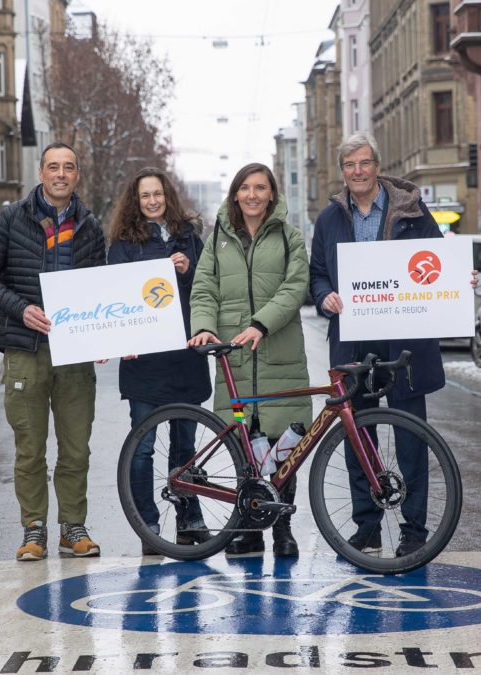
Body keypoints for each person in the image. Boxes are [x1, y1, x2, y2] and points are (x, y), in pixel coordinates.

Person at [309, 132, 473, 557]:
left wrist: (460, 281)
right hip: (352, 342)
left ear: (377, 166)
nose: (357, 172)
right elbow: (317, 274)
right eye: (349, 165)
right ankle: (368, 526)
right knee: (356, 435)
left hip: (404, 342)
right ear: (342, 171)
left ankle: (413, 530)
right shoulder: (330, 219)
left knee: (410, 439)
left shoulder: (413, 213)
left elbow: (438, 263)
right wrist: (325, 296)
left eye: (364, 163)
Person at [0, 142, 105, 561]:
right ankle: (33, 530)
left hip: (75, 352)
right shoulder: (12, 218)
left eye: (68, 167)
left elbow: (102, 289)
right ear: (41, 172)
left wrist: (102, 334)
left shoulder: (90, 226)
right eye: (53, 167)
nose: (61, 174)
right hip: (25, 349)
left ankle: (72, 528)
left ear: (77, 175)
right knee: (30, 447)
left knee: (76, 447)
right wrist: (21, 308)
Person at [187, 162, 310, 558]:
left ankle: (282, 531)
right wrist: (205, 325)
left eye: (260, 188)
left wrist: (261, 324)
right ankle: (248, 530)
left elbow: (295, 287)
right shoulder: (218, 239)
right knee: (243, 449)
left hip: (279, 353)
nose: (253, 195)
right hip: (235, 355)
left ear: (272, 194)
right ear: (235, 194)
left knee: (281, 451)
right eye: (245, 188)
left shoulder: (290, 238)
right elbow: (204, 287)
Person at [107, 167, 213, 554]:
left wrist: (187, 272)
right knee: (144, 446)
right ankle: (148, 525)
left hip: (185, 355)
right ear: (135, 203)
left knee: (186, 444)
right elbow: (116, 297)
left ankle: (189, 518)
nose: (152, 201)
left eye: (157, 194)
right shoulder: (123, 243)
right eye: (144, 196)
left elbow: (206, 288)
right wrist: (121, 339)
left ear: (167, 196)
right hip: (144, 359)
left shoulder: (189, 237)